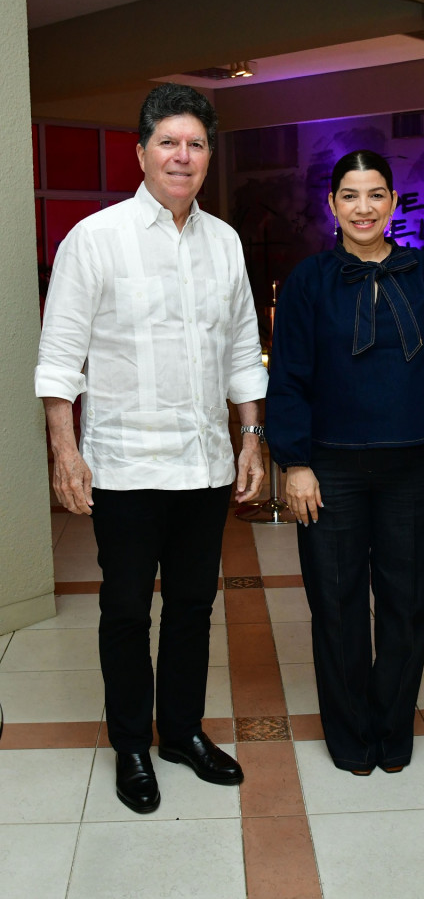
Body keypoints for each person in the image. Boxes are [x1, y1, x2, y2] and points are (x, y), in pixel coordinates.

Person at [35, 83, 268, 813]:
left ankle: (183, 732)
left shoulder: (224, 242)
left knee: (195, 604)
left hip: (204, 463)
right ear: (141, 153)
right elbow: (59, 358)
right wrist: (64, 451)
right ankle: (132, 744)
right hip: (126, 466)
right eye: (168, 142)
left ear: (208, 157)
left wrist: (251, 437)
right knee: (127, 609)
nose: (182, 156)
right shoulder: (94, 238)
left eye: (195, 144)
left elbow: (242, 350)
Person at [265, 149, 424, 775]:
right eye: (350, 195)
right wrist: (294, 463)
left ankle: (392, 728)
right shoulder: (309, 281)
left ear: (393, 203)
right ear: (331, 205)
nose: (364, 208)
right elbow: (289, 376)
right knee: (334, 607)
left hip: (413, 470)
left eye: (376, 194)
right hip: (328, 472)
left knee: (405, 605)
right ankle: (349, 733)